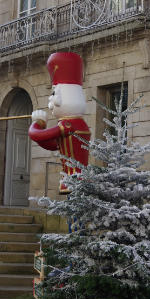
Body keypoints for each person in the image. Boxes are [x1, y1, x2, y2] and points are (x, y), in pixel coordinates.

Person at [29, 52, 90, 194]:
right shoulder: (72, 123)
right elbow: (53, 145)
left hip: (74, 179)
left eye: (53, 95)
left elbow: (37, 135)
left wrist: (37, 124)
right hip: (69, 178)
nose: (50, 103)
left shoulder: (69, 125)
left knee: (74, 210)